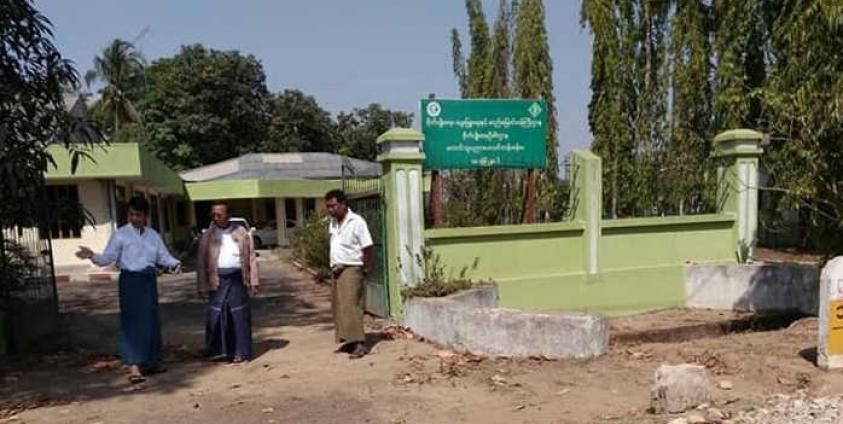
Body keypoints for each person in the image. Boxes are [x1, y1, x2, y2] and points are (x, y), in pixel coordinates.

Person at [76, 196, 181, 384]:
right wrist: (92, 255)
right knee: (132, 322)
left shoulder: (153, 235)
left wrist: (175, 263)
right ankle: (134, 366)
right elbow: (108, 258)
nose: (134, 218)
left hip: (148, 281)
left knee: (151, 320)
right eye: (131, 214)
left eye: (138, 215)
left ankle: (151, 361)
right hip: (130, 281)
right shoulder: (120, 235)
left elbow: (163, 256)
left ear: (146, 216)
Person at [197, 201, 259, 363]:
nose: (216, 217)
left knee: (239, 316)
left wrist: (254, 280)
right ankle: (217, 352)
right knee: (216, 316)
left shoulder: (242, 233)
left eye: (219, 214)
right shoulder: (207, 236)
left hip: (237, 279)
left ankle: (241, 352)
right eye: (213, 215)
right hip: (217, 281)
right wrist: (202, 286)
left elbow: (251, 257)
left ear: (228, 215)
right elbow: (201, 262)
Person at [325, 189, 374, 359]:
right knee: (339, 306)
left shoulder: (357, 222)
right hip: (337, 268)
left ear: (343, 204)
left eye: (333, 206)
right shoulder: (333, 223)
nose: (331, 210)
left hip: (352, 268)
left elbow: (368, 247)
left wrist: (366, 268)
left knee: (352, 306)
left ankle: (359, 342)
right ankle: (349, 340)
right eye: (328, 207)